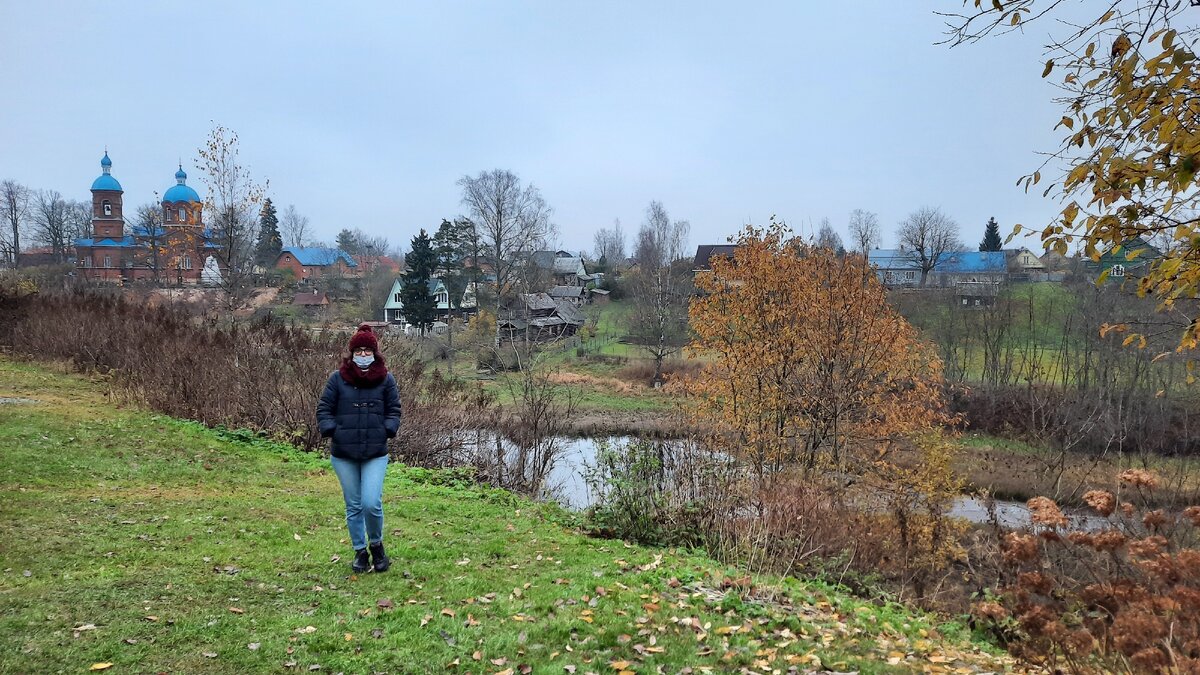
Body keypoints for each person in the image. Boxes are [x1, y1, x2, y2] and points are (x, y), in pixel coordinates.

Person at [317, 324, 402, 573]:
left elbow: (394, 409)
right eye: (359, 350)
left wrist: (386, 430)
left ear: (375, 353)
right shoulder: (337, 379)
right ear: (351, 352)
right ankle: (360, 552)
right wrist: (333, 430)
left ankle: (377, 546)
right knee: (353, 505)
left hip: (375, 452)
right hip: (344, 454)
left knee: (370, 503)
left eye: (368, 350)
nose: (363, 355)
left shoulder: (386, 379)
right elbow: (324, 409)